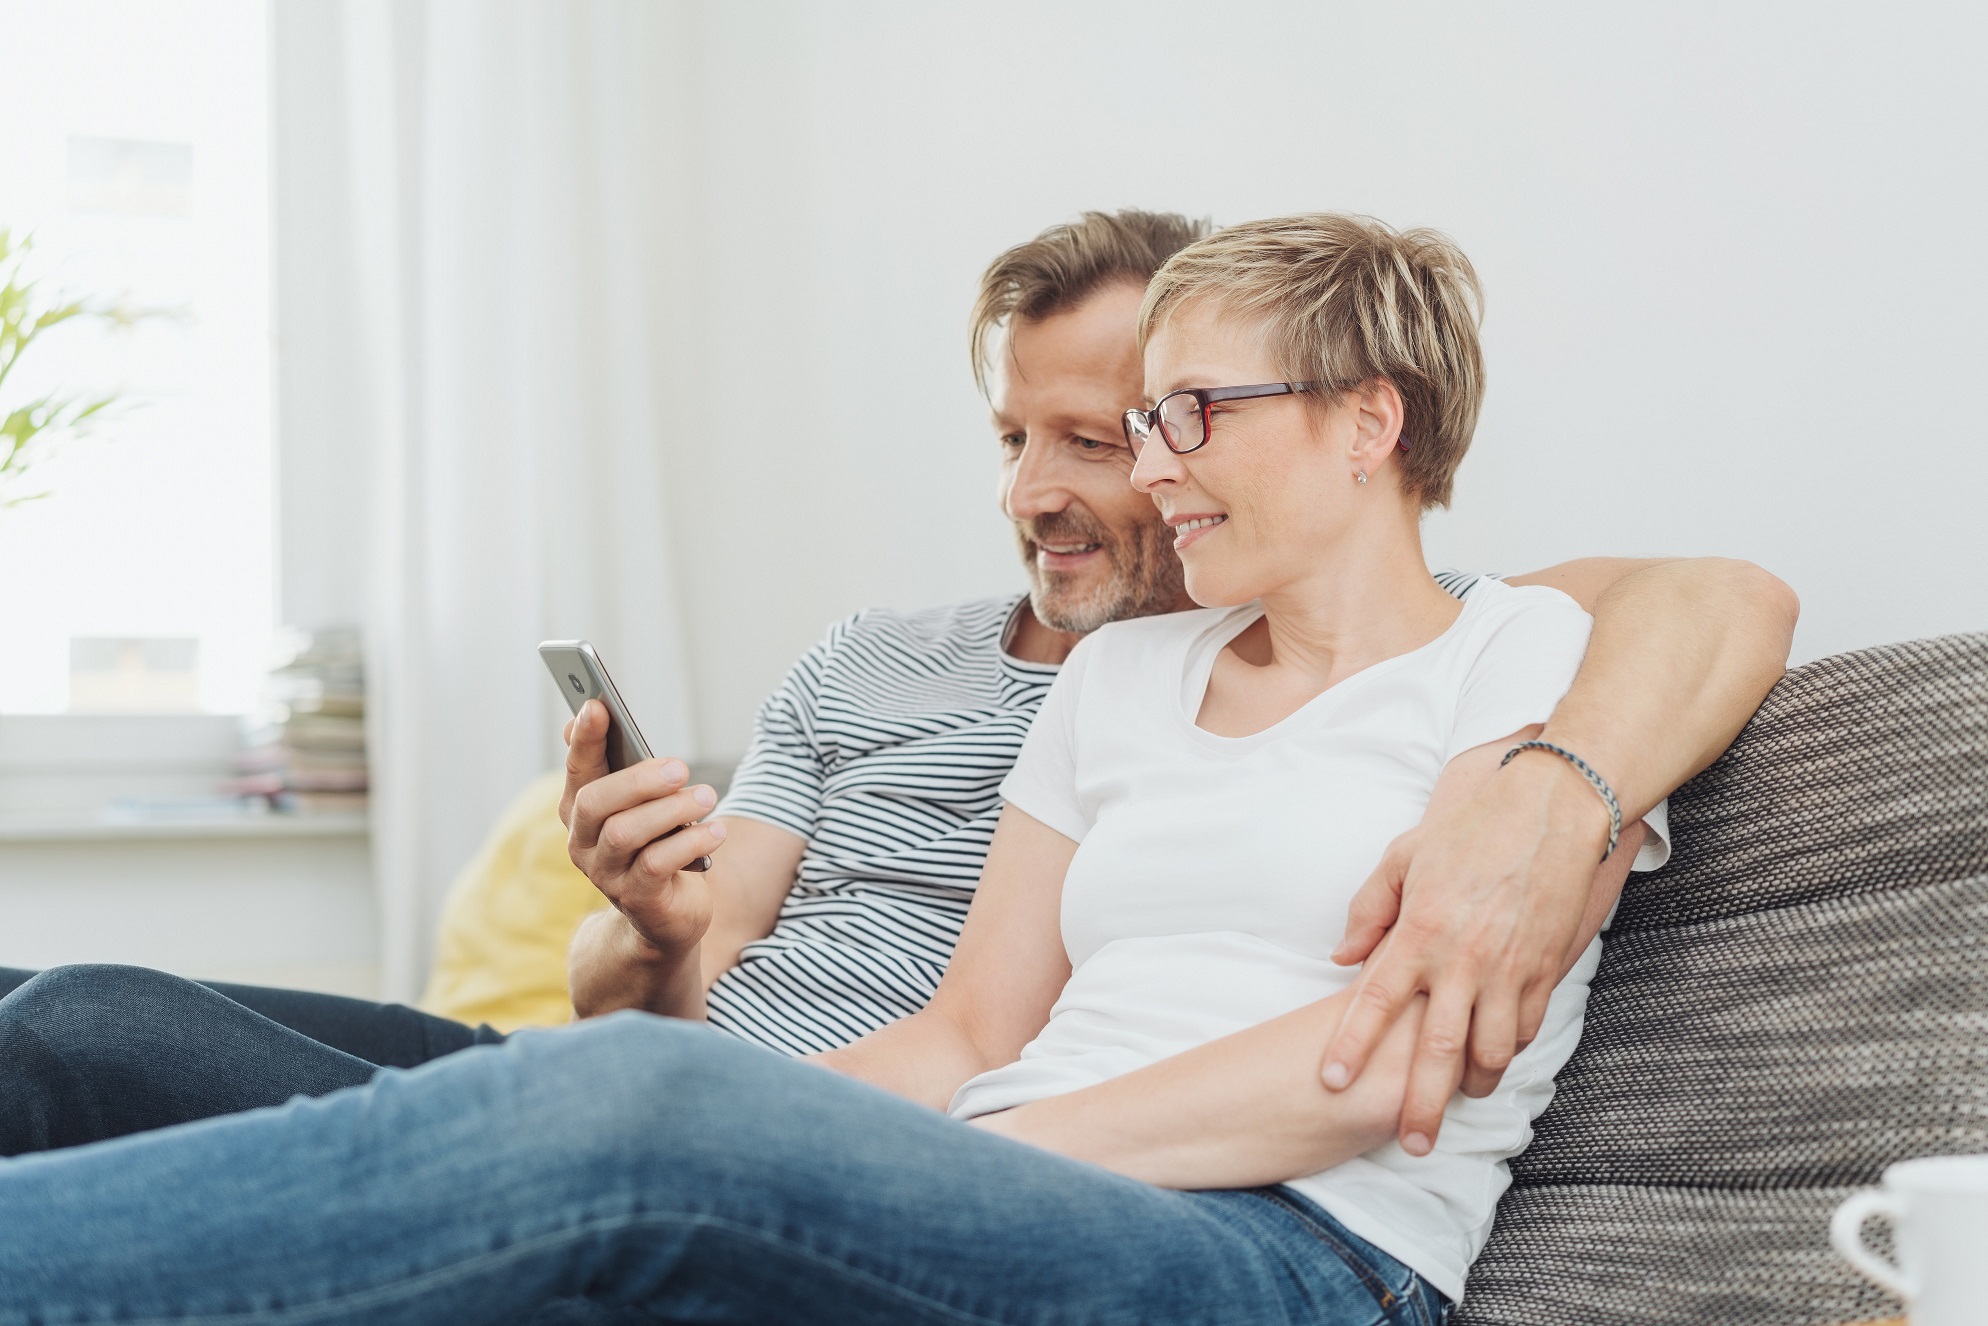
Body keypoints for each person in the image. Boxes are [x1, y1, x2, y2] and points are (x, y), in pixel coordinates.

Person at [0, 212, 1709, 1323]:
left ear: (1369, 420)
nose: (1152, 471)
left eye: (1191, 417)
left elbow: (1379, 1073)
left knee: (641, 1109)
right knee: (85, 1011)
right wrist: (845, 1133)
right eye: (1146, 420)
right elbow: (970, 1026)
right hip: (1043, 1176)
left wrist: (961, 1147)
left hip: (1293, 1253)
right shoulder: (1123, 675)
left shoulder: (1539, 669)